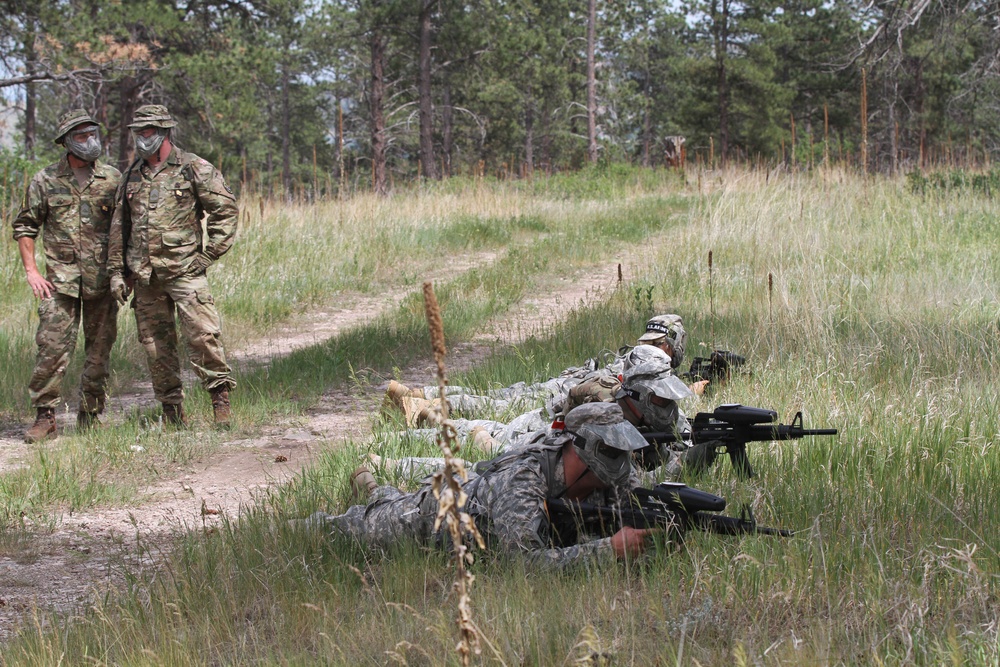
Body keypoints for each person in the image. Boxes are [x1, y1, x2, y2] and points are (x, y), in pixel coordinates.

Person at [306, 403, 658, 568]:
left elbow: (641, 507)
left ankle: (373, 484)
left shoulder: (610, 476)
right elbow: (522, 567)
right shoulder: (524, 480)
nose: (621, 462)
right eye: (611, 450)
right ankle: (366, 493)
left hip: (466, 495)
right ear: (578, 448)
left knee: (390, 498)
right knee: (348, 529)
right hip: (428, 522)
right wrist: (607, 550)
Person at [106, 104, 238, 427]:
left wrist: (208, 255)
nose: (142, 137)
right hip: (146, 278)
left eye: (148, 131)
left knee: (204, 336)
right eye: (138, 132)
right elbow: (119, 228)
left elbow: (226, 209)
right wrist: (116, 273)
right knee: (155, 348)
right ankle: (172, 412)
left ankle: (220, 403)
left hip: (185, 273)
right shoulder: (131, 176)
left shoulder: (193, 167)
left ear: (165, 132)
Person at [12, 109, 122, 442]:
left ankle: (90, 414)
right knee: (50, 348)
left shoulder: (113, 179)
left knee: (99, 351)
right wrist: (31, 270)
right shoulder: (45, 180)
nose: (90, 141)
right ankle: (45, 419)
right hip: (59, 282)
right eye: (81, 136)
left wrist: (124, 272)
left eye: (93, 134)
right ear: (66, 143)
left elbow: (125, 229)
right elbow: (26, 225)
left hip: (102, 281)